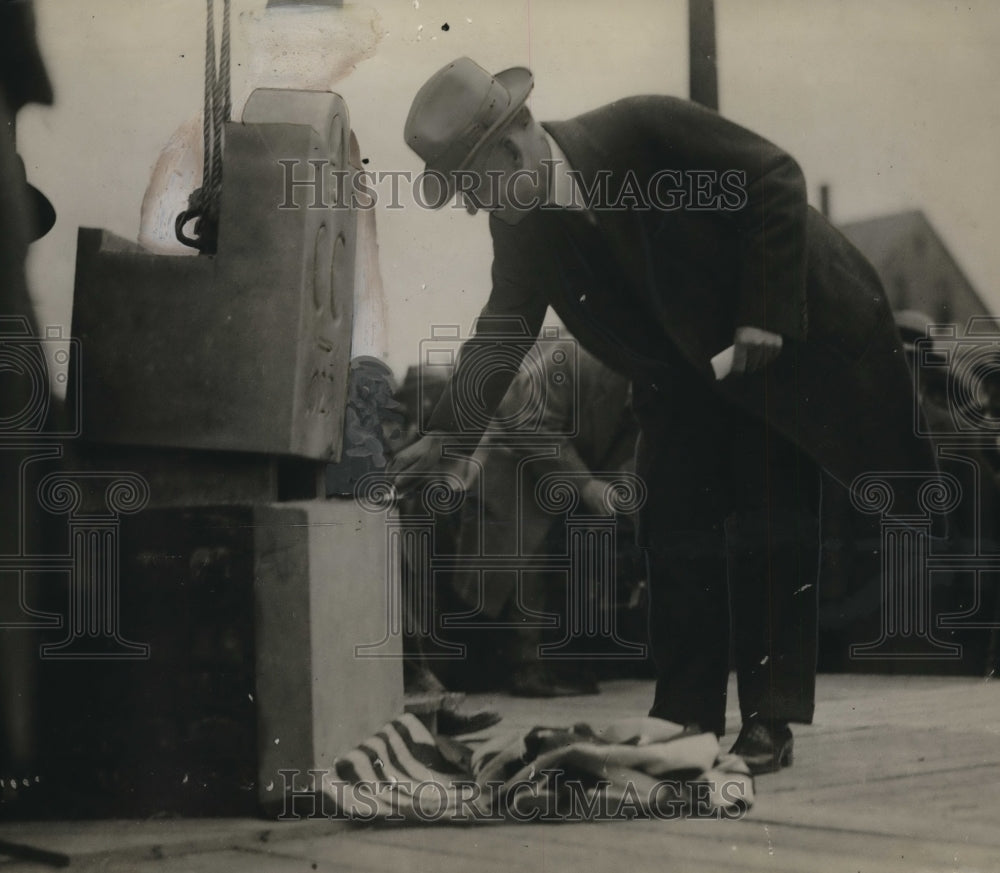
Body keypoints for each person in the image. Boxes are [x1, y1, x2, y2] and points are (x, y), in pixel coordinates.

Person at [391, 58, 939, 773]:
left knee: (771, 519)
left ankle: (769, 722)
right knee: (674, 522)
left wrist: (762, 314)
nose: (471, 206)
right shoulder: (520, 226)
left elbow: (775, 178)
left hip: (788, 332)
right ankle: (685, 717)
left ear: (515, 138)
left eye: (472, 184)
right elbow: (503, 327)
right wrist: (446, 434)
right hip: (686, 374)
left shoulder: (642, 132)